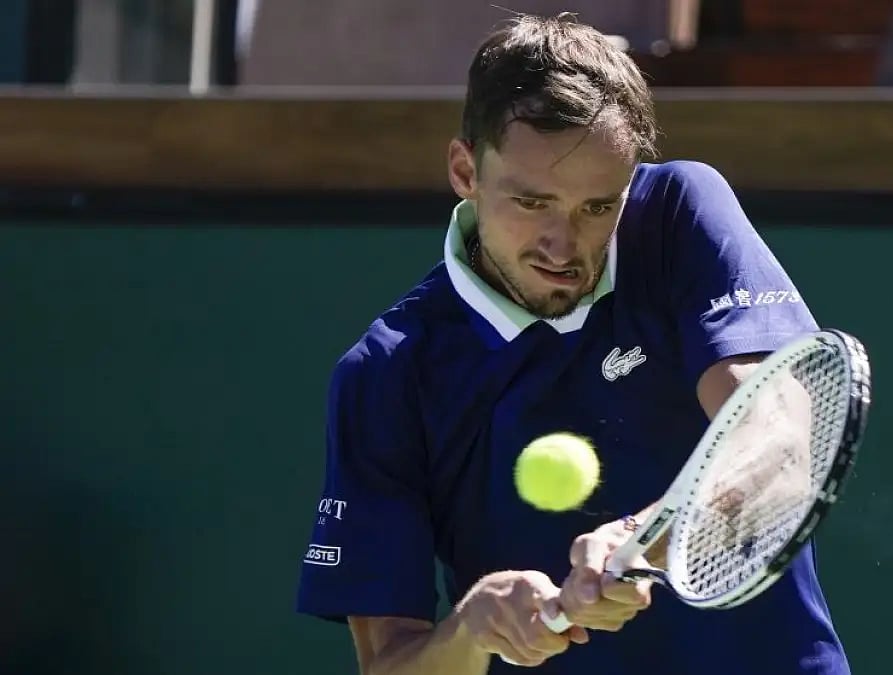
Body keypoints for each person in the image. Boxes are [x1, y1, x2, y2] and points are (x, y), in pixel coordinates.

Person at [295, 12, 850, 675]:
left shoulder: (678, 212)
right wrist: (474, 628)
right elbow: (391, 665)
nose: (564, 244)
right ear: (464, 170)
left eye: (597, 207)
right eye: (532, 203)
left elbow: (784, 446)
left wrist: (639, 541)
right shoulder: (387, 372)